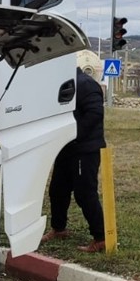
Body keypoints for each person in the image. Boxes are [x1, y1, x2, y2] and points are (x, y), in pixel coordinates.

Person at [42, 67, 106, 252]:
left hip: (85, 149)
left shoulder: (86, 84)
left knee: (85, 193)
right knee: (57, 190)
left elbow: (95, 114)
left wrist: (73, 134)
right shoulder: (62, 84)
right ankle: (59, 229)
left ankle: (101, 237)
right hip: (65, 148)